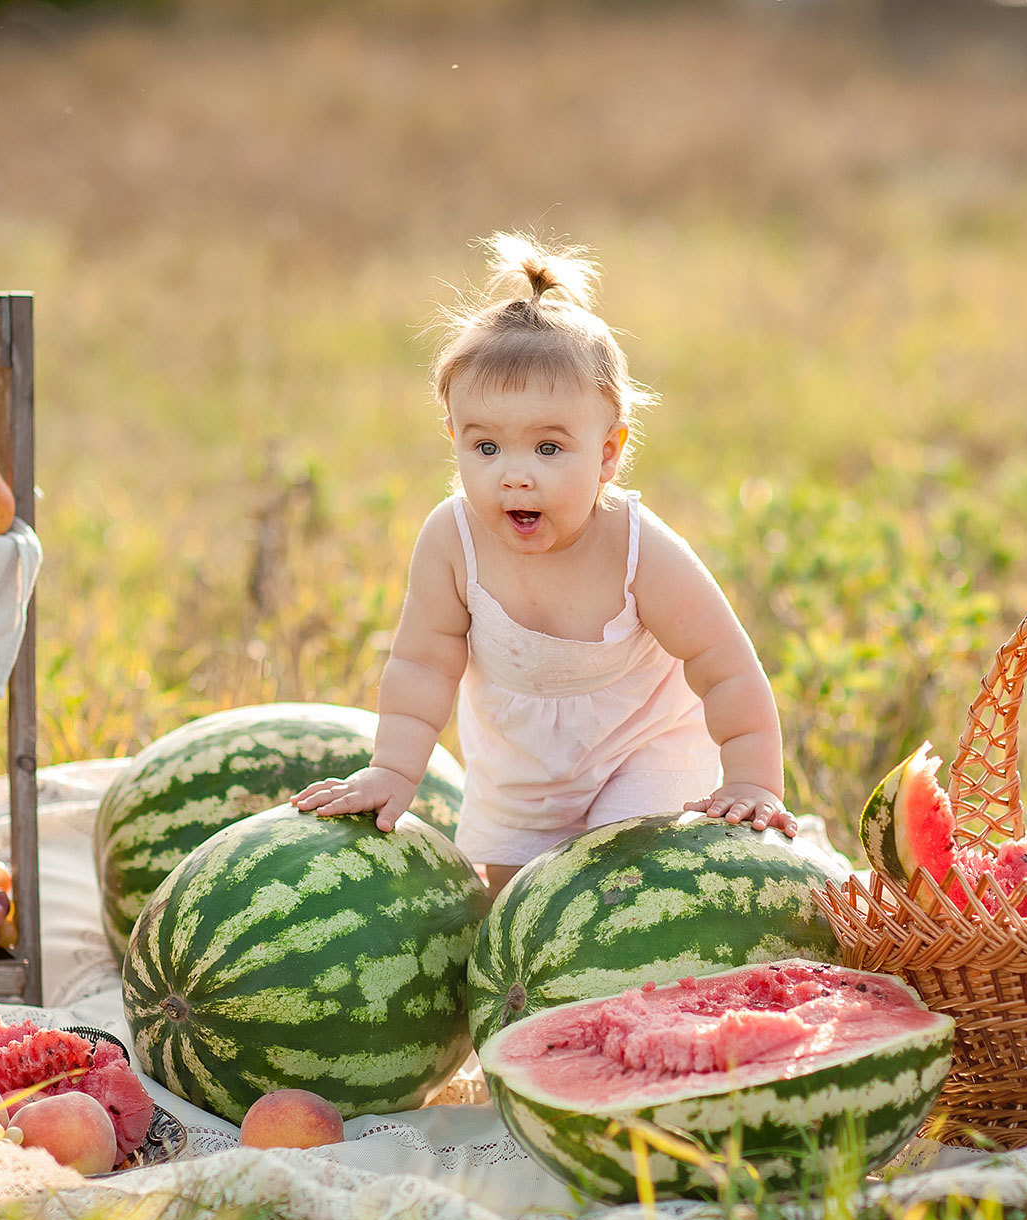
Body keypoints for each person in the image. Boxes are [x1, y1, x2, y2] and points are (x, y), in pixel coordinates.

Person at [291, 233, 796, 895]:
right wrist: (392, 770)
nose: (515, 476)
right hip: (518, 765)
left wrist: (752, 780)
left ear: (609, 452)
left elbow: (725, 664)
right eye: (488, 446)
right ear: (454, 439)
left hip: (641, 748)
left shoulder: (639, 549)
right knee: (507, 904)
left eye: (550, 449)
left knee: (626, 889)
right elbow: (420, 664)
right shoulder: (453, 539)